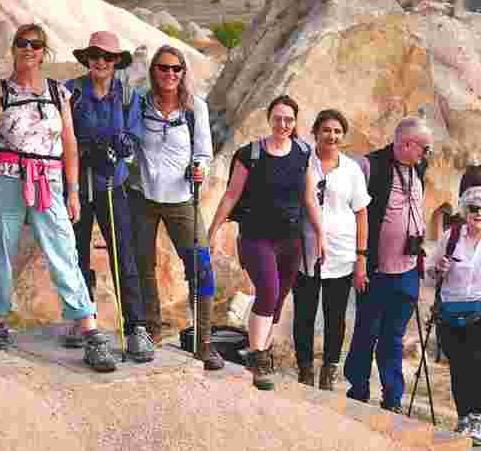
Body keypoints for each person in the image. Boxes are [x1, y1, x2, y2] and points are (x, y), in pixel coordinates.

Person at [0, 22, 115, 372]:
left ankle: (89, 328)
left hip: (48, 179)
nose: (29, 49)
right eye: (22, 43)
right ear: (14, 48)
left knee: (64, 250)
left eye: (36, 45)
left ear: (44, 51)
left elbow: (68, 143)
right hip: (5, 175)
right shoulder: (1, 90)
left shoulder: (57, 92)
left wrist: (73, 191)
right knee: (0, 248)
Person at [206, 95, 323, 391]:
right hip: (256, 238)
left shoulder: (304, 153)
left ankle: (261, 349)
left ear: (295, 122)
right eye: (278, 118)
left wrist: (321, 235)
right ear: (269, 119)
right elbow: (231, 194)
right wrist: (213, 230)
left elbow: (309, 198)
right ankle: (258, 360)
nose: (283, 124)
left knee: (279, 298)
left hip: (290, 240)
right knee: (268, 291)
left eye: (289, 119)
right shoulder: (251, 154)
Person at [124, 44, 216, 368]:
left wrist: (201, 168)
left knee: (201, 267)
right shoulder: (139, 104)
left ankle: (204, 341)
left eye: (176, 69)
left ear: (183, 72)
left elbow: (204, 152)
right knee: (143, 266)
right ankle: (151, 331)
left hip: (181, 198)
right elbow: (129, 141)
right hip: (143, 197)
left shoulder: (195, 109)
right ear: (153, 71)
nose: (170, 74)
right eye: (163, 68)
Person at [64, 30, 151, 362]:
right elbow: (62, 133)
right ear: (87, 58)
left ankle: (135, 328)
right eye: (95, 55)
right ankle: (82, 322)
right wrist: (88, 150)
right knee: (76, 252)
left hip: (113, 185)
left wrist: (119, 147)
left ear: (117, 62)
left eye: (107, 57)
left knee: (123, 254)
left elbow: (132, 137)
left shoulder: (129, 95)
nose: (100, 62)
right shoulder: (71, 92)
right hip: (78, 183)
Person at [342, 116, 433, 410]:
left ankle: (392, 397)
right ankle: (357, 391)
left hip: (407, 270)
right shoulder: (370, 166)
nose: (426, 154)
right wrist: (360, 261)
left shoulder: (418, 167)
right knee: (366, 332)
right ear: (407, 144)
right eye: (424, 148)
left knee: (393, 337)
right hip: (376, 270)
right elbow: (352, 214)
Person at [424, 185, 481, 442]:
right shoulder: (450, 236)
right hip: (451, 312)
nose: (479, 214)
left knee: (478, 366)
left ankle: (476, 420)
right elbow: (430, 275)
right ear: (465, 210)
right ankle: (463, 418)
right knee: (458, 367)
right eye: (474, 208)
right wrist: (438, 269)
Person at [291, 108, 368, 390]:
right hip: (306, 251)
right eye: (326, 130)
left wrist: (361, 257)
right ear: (315, 132)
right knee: (304, 314)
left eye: (337, 131)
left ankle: (329, 371)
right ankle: (305, 370)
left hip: (341, 254)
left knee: (335, 317)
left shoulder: (351, 170)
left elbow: (361, 213)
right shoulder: (303, 162)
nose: (332, 136)